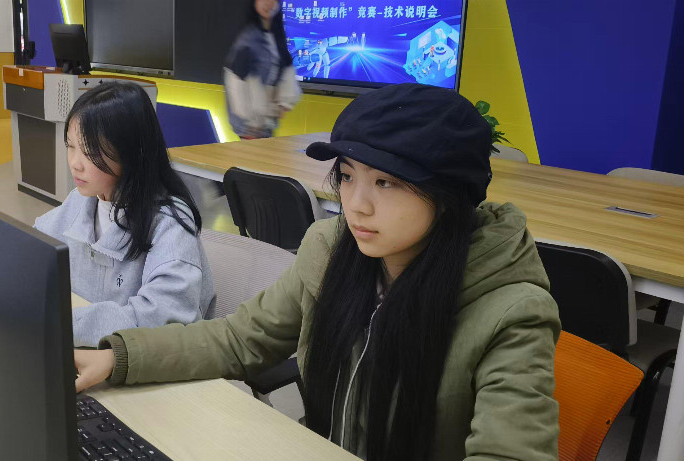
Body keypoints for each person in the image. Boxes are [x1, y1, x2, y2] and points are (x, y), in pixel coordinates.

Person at [74, 84, 560, 460]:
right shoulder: (330, 251)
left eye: (386, 183)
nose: (356, 204)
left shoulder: (512, 313)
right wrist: (119, 358)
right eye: (347, 176)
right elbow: (240, 340)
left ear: (449, 193)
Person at [33, 82, 215, 347]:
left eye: (90, 151)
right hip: (95, 349)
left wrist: (64, 324)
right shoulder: (83, 199)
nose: (74, 163)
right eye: (70, 146)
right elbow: (35, 246)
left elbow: (163, 319)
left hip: (152, 357)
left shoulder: (170, 222)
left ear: (131, 153)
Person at [224, 0, 302, 139]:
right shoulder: (247, 38)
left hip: (267, 125)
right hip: (250, 128)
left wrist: (284, 103)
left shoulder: (276, 35)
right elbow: (236, 81)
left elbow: (286, 70)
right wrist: (251, 123)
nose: (268, 3)